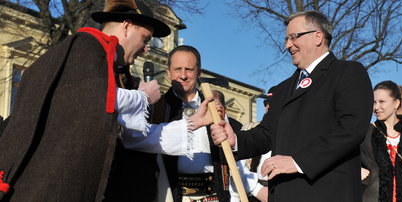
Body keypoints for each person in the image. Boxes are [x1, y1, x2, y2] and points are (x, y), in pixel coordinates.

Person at [0, 0, 171, 201]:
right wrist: (143, 97)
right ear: (127, 26)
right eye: (145, 39)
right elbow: (92, 98)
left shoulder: (108, 62)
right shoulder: (86, 46)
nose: (146, 50)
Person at [210, 10, 373, 201]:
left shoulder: (347, 72)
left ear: (317, 36)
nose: (288, 45)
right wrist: (236, 140)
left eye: (293, 37)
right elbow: (266, 133)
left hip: (328, 193)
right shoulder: (283, 89)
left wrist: (298, 162)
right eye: (286, 39)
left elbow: (351, 128)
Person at [142, 45, 230, 202]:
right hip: (169, 195)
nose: (183, 75)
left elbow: (231, 150)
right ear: (168, 73)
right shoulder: (158, 108)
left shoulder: (214, 107)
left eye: (189, 69)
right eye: (177, 69)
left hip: (212, 196)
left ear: (199, 73)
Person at [361, 80, 402, 202]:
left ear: (396, 103)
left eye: (382, 102)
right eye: (374, 102)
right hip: (371, 197)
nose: (376, 107)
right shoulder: (365, 133)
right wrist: (356, 169)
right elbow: (343, 157)